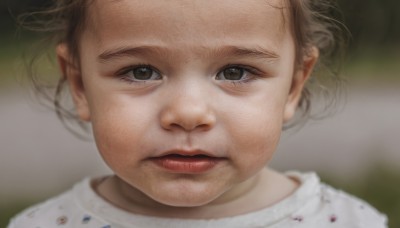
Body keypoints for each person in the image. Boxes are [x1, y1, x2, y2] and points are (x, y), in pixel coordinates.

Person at [8, 0, 387, 227]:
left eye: (235, 72)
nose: (188, 113)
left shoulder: (350, 222)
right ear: (80, 84)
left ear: (293, 85)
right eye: (141, 72)